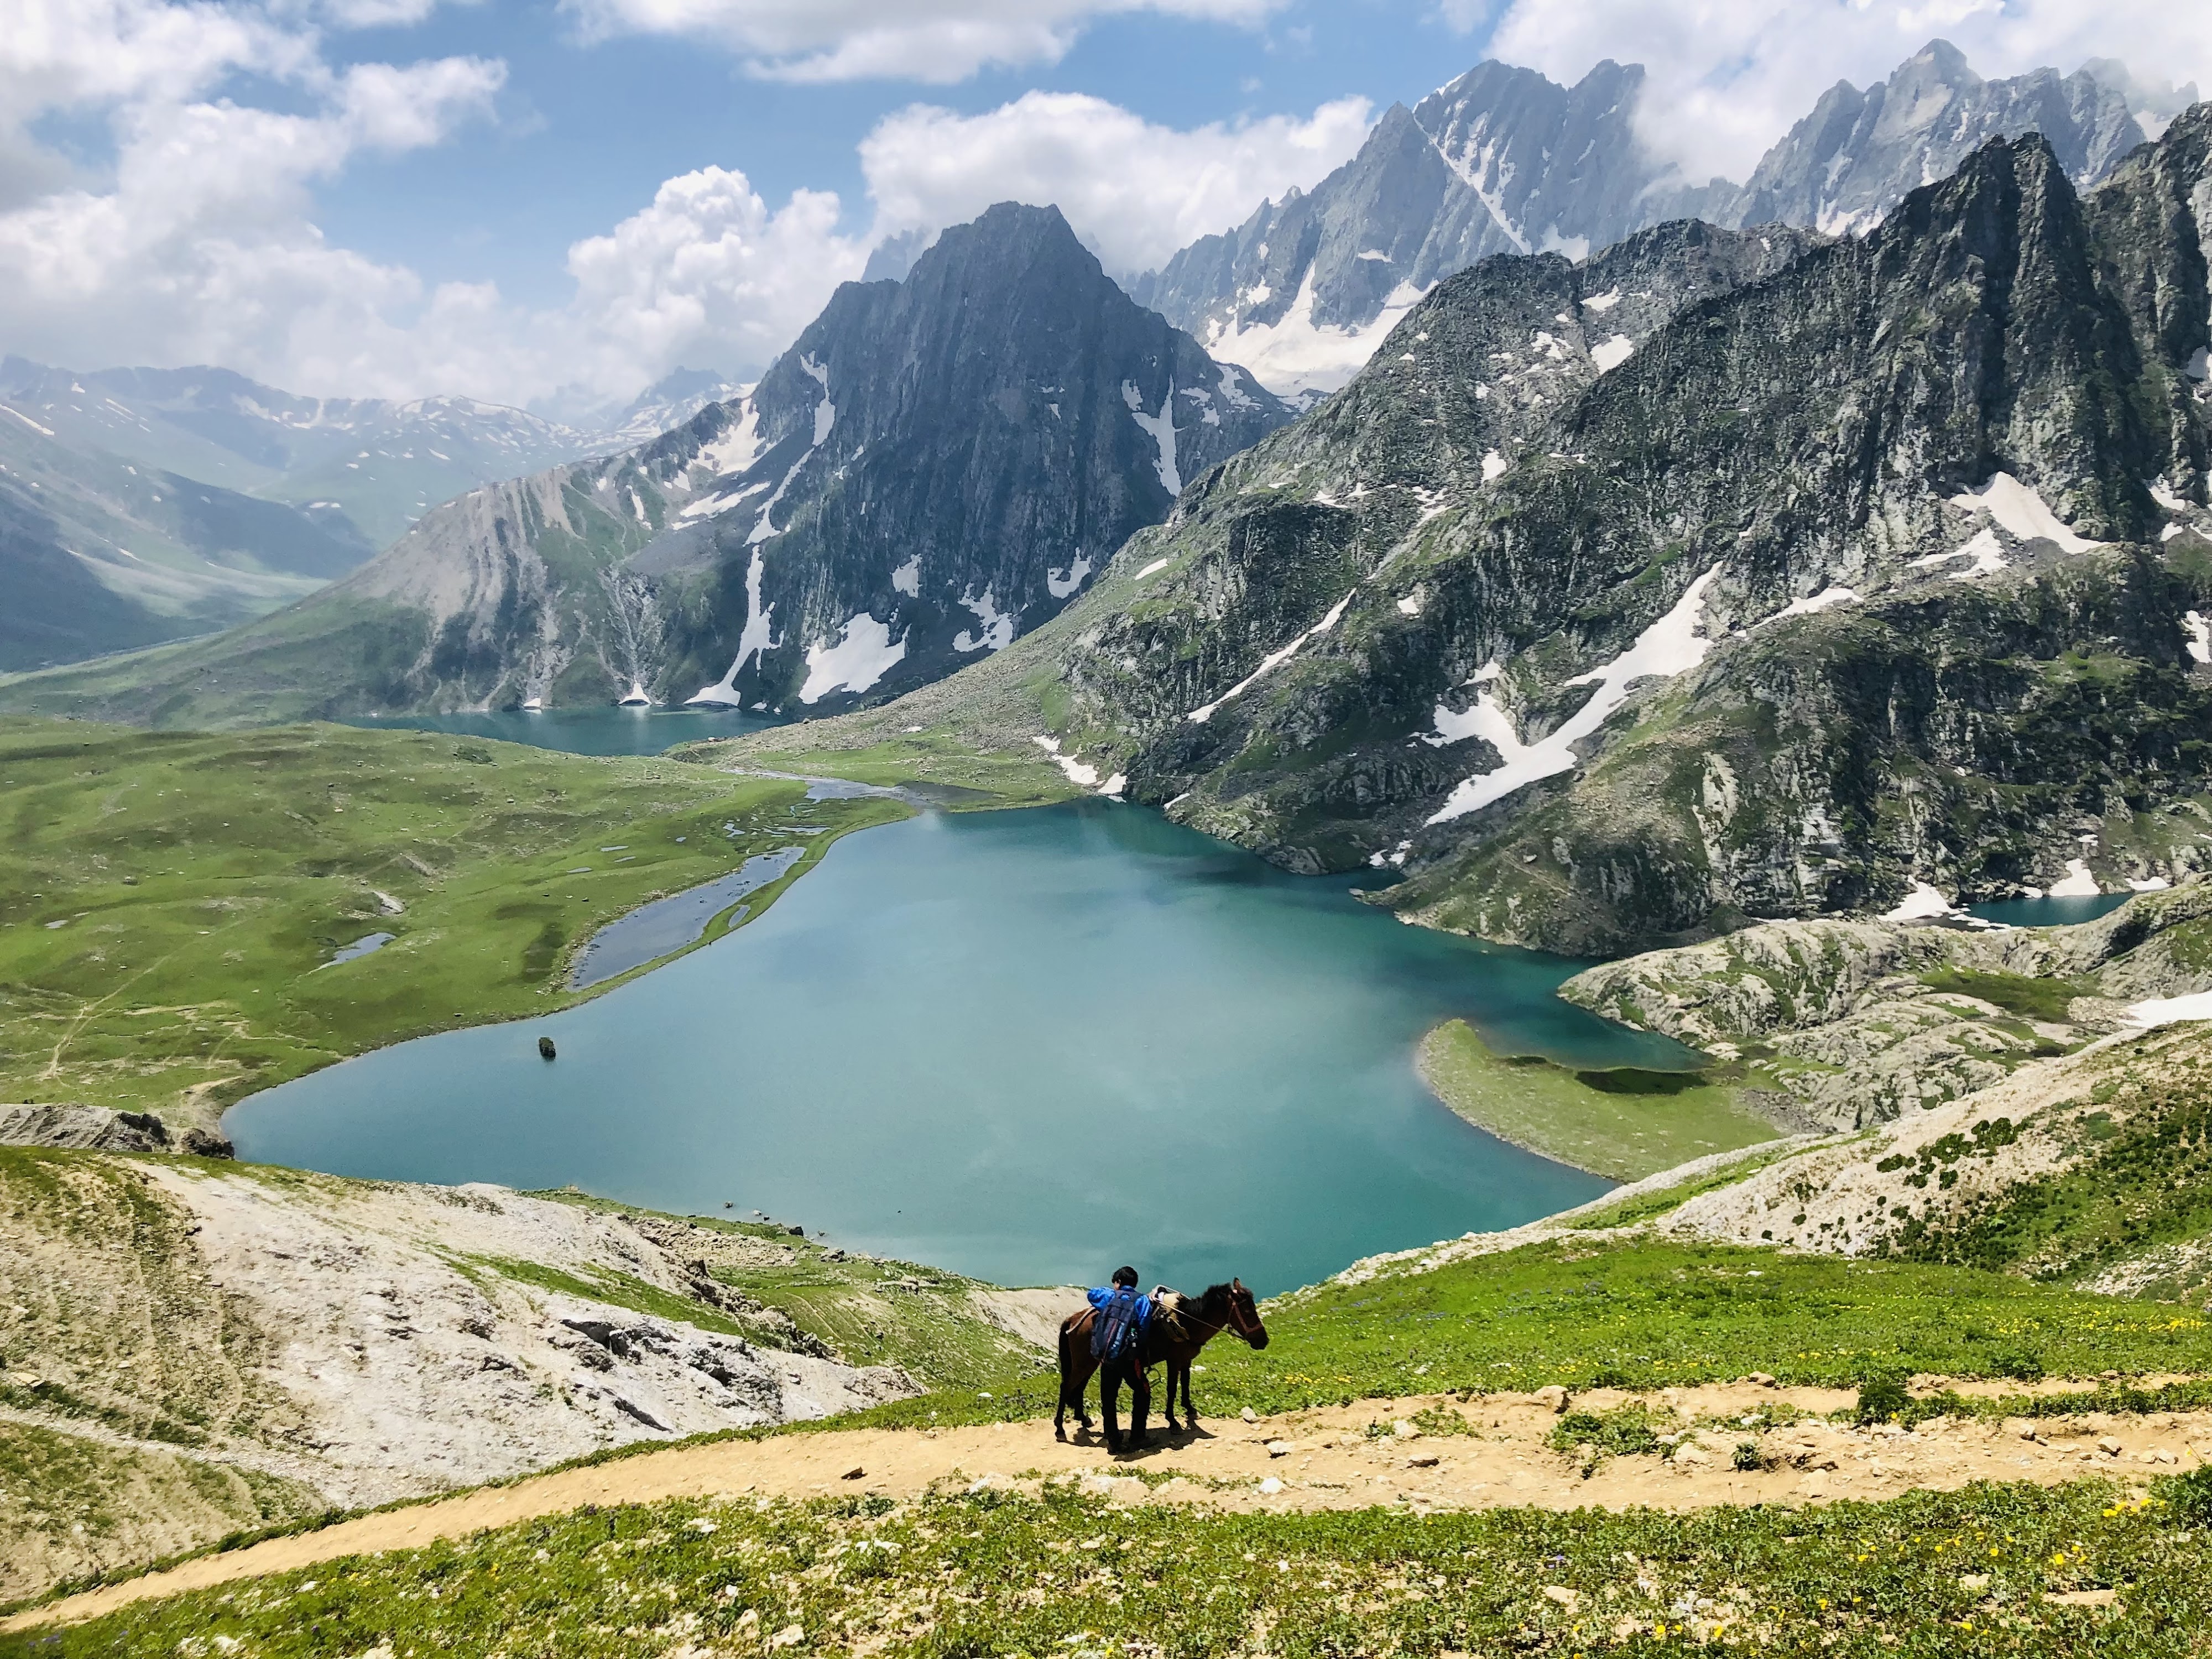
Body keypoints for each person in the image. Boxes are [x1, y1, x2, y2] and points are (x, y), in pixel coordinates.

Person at [1087, 1266, 1154, 1452]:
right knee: (1143, 1391)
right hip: (1129, 1359)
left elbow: (1092, 1294)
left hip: (1108, 1357)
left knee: (1108, 1397)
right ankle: (1138, 1437)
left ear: (1118, 1283)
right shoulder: (1142, 1301)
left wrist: (1114, 1291)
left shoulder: (1109, 1297)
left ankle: (1113, 1440)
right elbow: (1144, 1329)